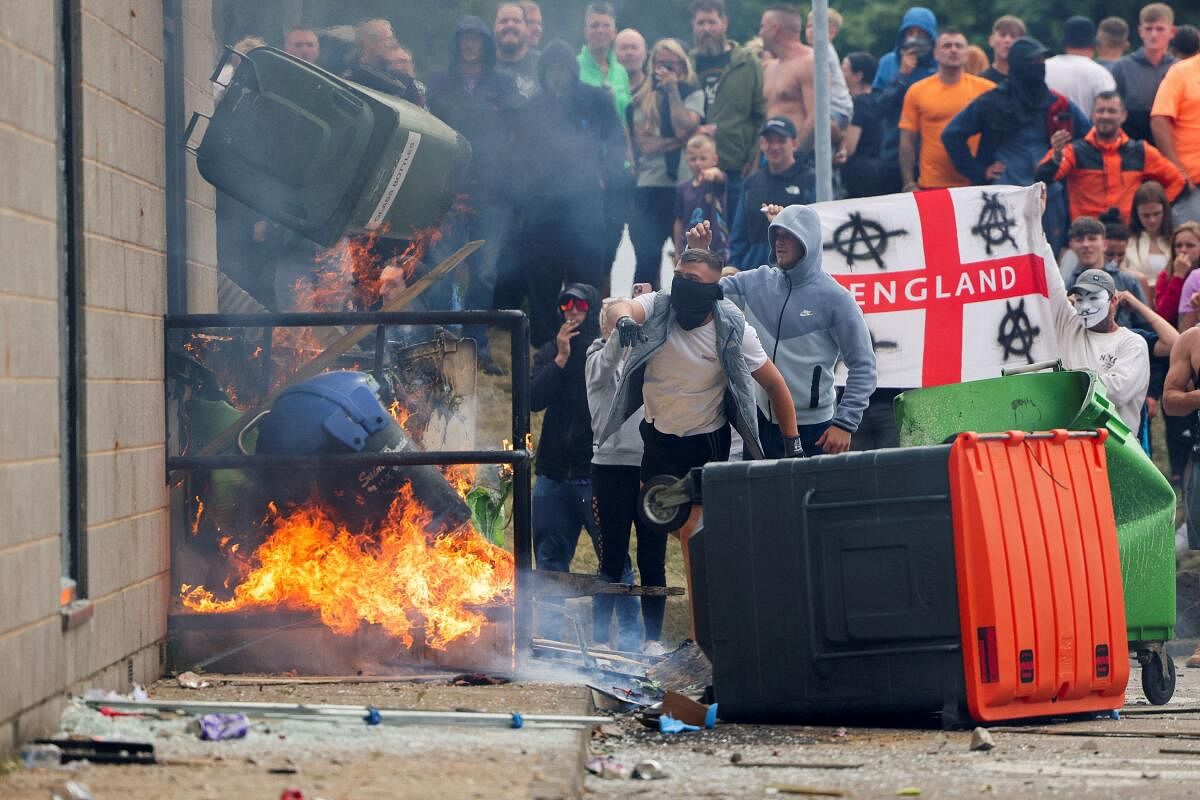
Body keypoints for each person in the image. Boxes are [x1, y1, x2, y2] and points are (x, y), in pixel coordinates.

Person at [598, 249, 801, 580]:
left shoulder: (733, 327)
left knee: (696, 535)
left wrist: (793, 445)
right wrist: (622, 319)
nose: (681, 285)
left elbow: (776, 385)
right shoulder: (659, 306)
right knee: (666, 525)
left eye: (692, 280)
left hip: (704, 441)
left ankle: (704, 620)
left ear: (713, 289)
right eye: (678, 277)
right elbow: (622, 306)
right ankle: (714, 581)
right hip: (658, 436)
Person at [714, 206, 876, 457]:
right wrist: (696, 250)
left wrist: (845, 423)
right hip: (760, 423)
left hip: (814, 429)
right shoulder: (757, 282)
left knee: (807, 498)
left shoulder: (837, 299)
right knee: (756, 497)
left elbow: (864, 366)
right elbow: (704, 293)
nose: (779, 243)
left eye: (788, 236)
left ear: (807, 241)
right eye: (776, 236)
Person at [531, 284, 640, 647]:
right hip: (551, 474)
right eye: (565, 303)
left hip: (592, 474)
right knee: (549, 562)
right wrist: (560, 358)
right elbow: (532, 399)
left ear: (590, 309)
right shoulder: (551, 349)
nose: (571, 310)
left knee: (614, 558)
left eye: (579, 304)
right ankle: (549, 641)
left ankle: (628, 640)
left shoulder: (600, 354)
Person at [425, 16, 523, 373]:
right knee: (442, 266)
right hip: (448, 189)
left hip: (493, 191)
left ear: (486, 44)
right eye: (464, 39)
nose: (470, 45)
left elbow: (518, 131)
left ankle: (477, 347)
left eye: (476, 40)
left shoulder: (504, 83)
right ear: (457, 43)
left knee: (485, 273)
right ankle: (437, 343)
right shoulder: (438, 81)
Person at [514, 40, 627, 347]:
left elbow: (617, 140)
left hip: (585, 204)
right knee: (541, 282)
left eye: (562, 68)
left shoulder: (595, 99)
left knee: (586, 279)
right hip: (541, 208)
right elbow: (518, 156)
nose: (557, 75)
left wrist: (608, 172)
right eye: (551, 69)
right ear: (542, 72)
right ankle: (544, 348)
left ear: (573, 71)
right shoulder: (532, 108)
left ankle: (587, 346)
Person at [942, 37, 1090, 253]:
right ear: (1019, 65)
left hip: (1050, 194)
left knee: (1050, 257)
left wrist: (1066, 157)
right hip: (1004, 193)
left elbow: (1088, 137)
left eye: (1042, 61)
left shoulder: (1058, 104)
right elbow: (952, 134)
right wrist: (979, 171)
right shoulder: (992, 102)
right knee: (1006, 257)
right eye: (1033, 61)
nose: (1039, 67)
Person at [587, 295, 667, 655]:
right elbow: (607, 361)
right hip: (609, 467)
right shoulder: (595, 361)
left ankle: (652, 639)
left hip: (649, 466)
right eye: (616, 322)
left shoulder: (647, 358)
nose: (625, 327)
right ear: (606, 327)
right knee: (613, 558)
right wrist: (622, 327)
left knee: (653, 556)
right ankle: (601, 638)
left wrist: (646, 312)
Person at [1036, 91, 1185, 224]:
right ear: (1092, 115)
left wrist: (1151, 211)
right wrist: (1056, 156)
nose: (1105, 116)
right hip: (1086, 237)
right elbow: (1042, 177)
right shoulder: (1074, 151)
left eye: (1112, 111)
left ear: (1123, 115)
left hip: (1128, 236)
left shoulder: (1141, 151)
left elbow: (1177, 181)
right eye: (1101, 111)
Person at [627, 38, 704, 290]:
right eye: (661, 64)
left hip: (683, 186)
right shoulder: (641, 99)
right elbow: (647, 145)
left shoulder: (692, 92)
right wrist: (682, 140)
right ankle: (640, 320)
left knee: (689, 259)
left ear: (683, 66)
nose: (667, 70)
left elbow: (684, 124)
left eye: (672, 64)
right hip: (650, 187)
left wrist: (672, 92)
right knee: (647, 260)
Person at [1049, 267, 1150, 432]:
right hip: (1072, 442)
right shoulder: (1069, 325)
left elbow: (1116, 392)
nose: (1086, 307)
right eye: (1080, 300)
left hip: (1115, 446)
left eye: (1094, 298)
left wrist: (1063, 385)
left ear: (1114, 300)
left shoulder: (1133, 343)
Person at [690, 0, 765, 221]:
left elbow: (759, 114)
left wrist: (754, 156)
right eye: (700, 23)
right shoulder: (687, 63)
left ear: (724, 23)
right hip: (693, 167)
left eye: (711, 22)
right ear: (693, 26)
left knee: (733, 238)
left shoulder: (747, 62)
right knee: (696, 240)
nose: (706, 29)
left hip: (735, 165)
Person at [898, 29, 995, 191]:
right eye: (947, 46)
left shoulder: (987, 90)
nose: (953, 50)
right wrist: (908, 182)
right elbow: (907, 140)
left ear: (966, 53)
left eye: (959, 46)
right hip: (931, 184)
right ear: (935, 53)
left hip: (977, 183)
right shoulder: (917, 90)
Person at [871, 7, 938, 196]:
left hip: (931, 157)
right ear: (902, 35)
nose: (915, 38)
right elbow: (877, 109)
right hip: (892, 152)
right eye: (910, 33)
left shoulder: (939, 66)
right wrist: (901, 76)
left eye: (921, 33)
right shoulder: (888, 63)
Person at [729, 116, 811, 269]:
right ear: (761, 144)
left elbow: (816, 233)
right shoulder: (751, 182)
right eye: (769, 140)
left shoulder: (810, 180)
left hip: (793, 276)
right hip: (753, 274)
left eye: (780, 140)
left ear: (793, 144)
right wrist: (734, 267)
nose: (774, 146)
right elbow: (738, 236)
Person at [1063, 216, 1148, 329]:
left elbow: (1145, 326)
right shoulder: (1065, 286)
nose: (1086, 244)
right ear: (1071, 246)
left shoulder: (1128, 281)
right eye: (1079, 240)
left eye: (1092, 238)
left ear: (1105, 244)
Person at [1151, 33, 1200, 223]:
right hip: (1193, 183)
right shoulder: (1182, 72)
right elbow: (1159, 119)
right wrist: (1177, 169)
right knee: (1190, 246)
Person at [1112, 3, 1177, 144]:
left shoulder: (1179, 68)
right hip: (1132, 145)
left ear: (1172, 32)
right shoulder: (1122, 67)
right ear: (1141, 31)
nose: (1154, 34)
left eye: (1160, 29)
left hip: (1172, 141)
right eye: (1149, 29)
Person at [759, 6, 815, 150]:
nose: (760, 33)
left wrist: (795, 155)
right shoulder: (769, 68)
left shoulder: (809, 62)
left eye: (762, 27)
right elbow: (766, 118)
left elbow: (816, 118)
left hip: (799, 157)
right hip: (771, 157)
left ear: (775, 29)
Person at [839, 52, 887, 198]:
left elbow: (850, 147)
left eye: (844, 69)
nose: (840, 73)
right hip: (882, 170)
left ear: (858, 76)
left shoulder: (859, 103)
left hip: (860, 175)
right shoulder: (881, 99)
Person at [345, 19, 425, 107]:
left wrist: (409, 78)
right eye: (388, 39)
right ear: (370, 44)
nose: (393, 43)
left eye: (392, 38)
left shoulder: (397, 73)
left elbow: (419, 111)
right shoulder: (355, 77)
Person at [674, 134, 729, 261]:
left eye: (703, 158)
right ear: (687, 159)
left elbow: (719, 177)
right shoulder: (682, 188)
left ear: (714, 159)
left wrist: (714, 172)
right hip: (689, 248)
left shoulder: (716, 183)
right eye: (693, 159)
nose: (698, 163)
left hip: (716, 247)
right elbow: (679, 221)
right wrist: (677, 250)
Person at [1045, 16, 1117, 113]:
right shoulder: (1100, 74)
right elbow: (1110, 112)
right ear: (1094, 46)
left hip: (1044, 127)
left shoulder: (1043, 67)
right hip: (1087, 128)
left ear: (1064, 45)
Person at [577, 1, 631, 120]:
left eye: (606, 25)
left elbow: (628, 117)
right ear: (585, 32)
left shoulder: (621, 72)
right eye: (594, 26)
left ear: (615, 33)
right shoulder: (574, 68)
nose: (600, 31)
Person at [805, 9, 854, 129]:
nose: (811, 30)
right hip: (837, 109)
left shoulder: (823, 50)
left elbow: (826, 84)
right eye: (808, 26)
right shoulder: (816, 51)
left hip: (837, 110)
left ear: (831, 32)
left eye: (816, 26)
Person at [1125, 181, 1175, 290]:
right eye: (1145, 215)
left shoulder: (1178, 240)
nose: (1152, 220)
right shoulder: (1126, 242)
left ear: (1165, 211)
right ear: (1136, 214)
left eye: (1157, 213)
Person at [494, 2, 539, 99]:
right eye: (504, 21)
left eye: (516, 21)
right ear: (494, 27)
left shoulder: (543, 65)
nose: (510, 25)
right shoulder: (481, 66)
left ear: (526, 28)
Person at [1169, 222, 1200, 329]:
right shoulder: (1195, 277)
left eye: (1190, 245)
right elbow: (1165, 316)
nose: (1183, 250)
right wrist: (1178, 276)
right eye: (1178, 246)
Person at [981, 15, 1026, 84]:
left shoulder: (1028, 80)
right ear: (991, 40)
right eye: (1002, 35)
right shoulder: (981, 80)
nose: (1007, 40)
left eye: (1013, 36)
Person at [616, 28, 648, 95]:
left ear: (645, 53)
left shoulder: (655, 89)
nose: (629, 53)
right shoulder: (603, 88)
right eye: (624, 48)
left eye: (634, 48)